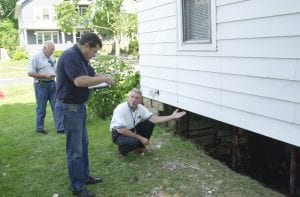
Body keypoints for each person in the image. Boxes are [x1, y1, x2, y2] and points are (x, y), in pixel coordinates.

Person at [55, 33, 115, 197]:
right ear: (87, 45)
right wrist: (105, 78)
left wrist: (106, 78)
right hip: (69, 107)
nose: (94, 55)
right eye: (94, 51)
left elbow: (91, 75)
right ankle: (78, 187)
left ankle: (84, 176)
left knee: (83, 145)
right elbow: (80, 81)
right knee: (75, 150)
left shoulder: (81, 57)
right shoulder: (70, 56)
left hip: (78, 107)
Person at [110, 88, 186, 156]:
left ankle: (140, 148)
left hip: (132, 129)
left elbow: (154, 119)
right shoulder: (121, 109)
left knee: (149, 123)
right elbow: (122, 130)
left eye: (137, 98)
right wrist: (140, 138)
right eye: (132, 97)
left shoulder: (141, 108)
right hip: (118, 134)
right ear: (128, 98)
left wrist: (171, 117)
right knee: (134, 141)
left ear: (140, 100)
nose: (134, 100)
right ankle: (121, 151)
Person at [28, 40, 64, 134]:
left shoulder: (51, 57)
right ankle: (39, 129)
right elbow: (30, 73)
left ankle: (60, 128)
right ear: (45, 48)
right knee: (41, 108)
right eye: (51, 49)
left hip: (53, 84)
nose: (53, 51)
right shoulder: (36, 57)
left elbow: (54, 69)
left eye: (53, 49)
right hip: (41, 85)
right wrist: (45, 76)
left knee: (57, 106)